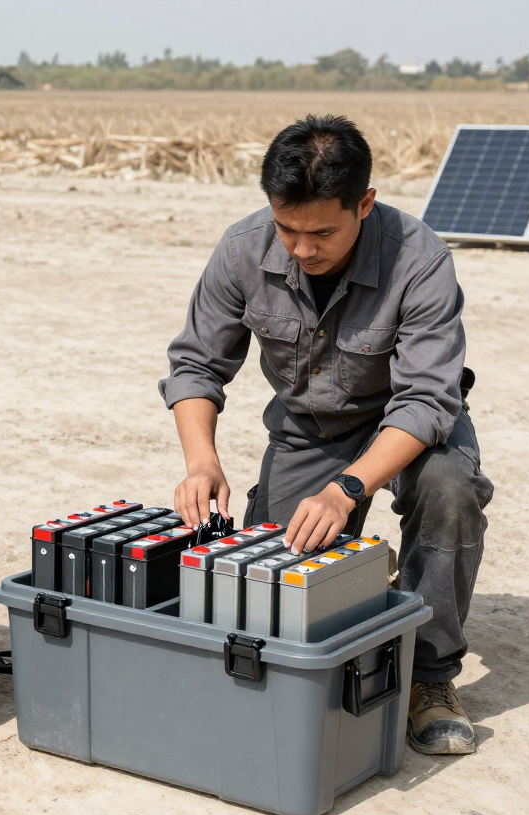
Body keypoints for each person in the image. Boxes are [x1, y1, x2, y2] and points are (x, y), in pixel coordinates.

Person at [159, 114, 492, 756]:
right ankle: (368, 583)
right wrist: (201, 462)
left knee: (450, 488)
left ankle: (430, 677)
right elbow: (196, 364)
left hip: (408, 424)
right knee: (271, 578)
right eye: (288, 229)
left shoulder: (420, 259)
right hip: (309, 428)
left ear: (364, 204)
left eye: (322, 233)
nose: (302, 250)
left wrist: (346, 488)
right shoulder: (242, 249)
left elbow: (426, 399)